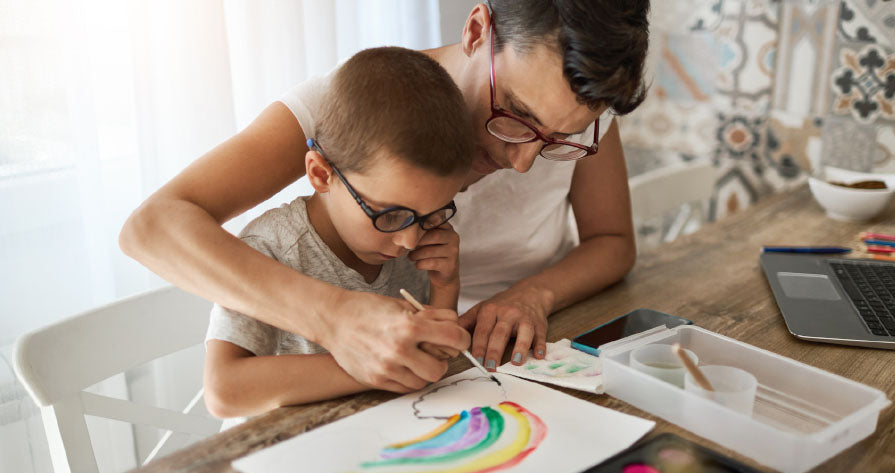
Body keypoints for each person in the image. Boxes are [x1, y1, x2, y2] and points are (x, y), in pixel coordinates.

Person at [120, 0, 649, 393]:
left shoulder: (575, 115)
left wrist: (533, 295)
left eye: (558, 140)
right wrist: (333, 318)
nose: (524, 161)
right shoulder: (352, 107)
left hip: (522, 365)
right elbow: (153, 227)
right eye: (517, 113)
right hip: (392, 378)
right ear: (476, 29)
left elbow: (612, 241)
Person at [202, 47, 473, 418]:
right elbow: (224, 390)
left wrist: (446, 287)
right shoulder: (272, 248)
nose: (410, 240)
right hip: (279, 453)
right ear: (321, 174)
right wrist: (374, 363)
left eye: (431, 216)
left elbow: (429, 360)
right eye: (390, 216)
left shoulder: (416, 237)